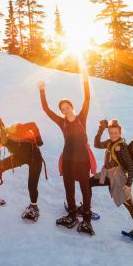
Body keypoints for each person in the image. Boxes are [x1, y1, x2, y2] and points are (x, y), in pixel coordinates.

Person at [38, 71, 96, 235]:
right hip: (68, 160)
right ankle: (71, 215)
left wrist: (85, 81)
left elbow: (87, 99)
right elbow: (46, 109)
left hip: (83, 160)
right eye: (62, 109)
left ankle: (86, 219)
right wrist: (42, 89)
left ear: (72, 107)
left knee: (85, 189)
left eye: (67, 107)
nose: (65, 110)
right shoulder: (61, 122)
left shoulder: (81, 117)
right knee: (68, 188)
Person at [0, 117, 46, 221]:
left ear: (2, 126)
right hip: (19, 158)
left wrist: (39, 140)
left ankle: (34, 207)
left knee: (32, 184)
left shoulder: (14, 129)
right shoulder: (1, 140)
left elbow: (33, 124)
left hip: (34, 158)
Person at [91, 119, 133, 238]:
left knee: (128, 202)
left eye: (116, 133)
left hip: (118, 179)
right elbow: (96, 144)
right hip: (107, 175)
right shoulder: (110, 142)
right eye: (111, 132)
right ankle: (86, 209)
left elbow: (130, 166)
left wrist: (129, 184)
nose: (113, 135)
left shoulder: (122, 147)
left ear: (120, 133)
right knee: (88, 183)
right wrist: (100, 129)